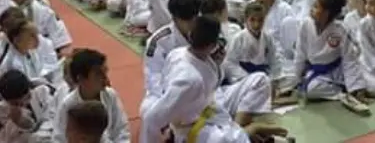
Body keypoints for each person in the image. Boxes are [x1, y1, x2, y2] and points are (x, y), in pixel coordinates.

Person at [140, 15, 291, 143]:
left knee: (260, 79)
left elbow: (211, 85)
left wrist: (218, 65)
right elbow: (153, 118)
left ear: (191, 34)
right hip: (192, 127)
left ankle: (239, 129)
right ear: (213, 45)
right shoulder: (188, 80)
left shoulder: (180, 52)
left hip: (211, 106)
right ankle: (250, 130)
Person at [52, 49, 130, 143]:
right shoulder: (68, 104)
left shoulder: (110, 95)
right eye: (98, 74)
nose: (105, 78)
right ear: (81, 79)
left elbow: (122, 130)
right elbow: (59, 139)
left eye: (105, 72)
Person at [0, 69, 55, 142]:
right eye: (14, 104)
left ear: (28, 92)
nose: (19, 106)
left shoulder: (44, 91)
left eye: (20, 103)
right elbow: (2, 138)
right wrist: (16, 122)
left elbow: (54, 121)